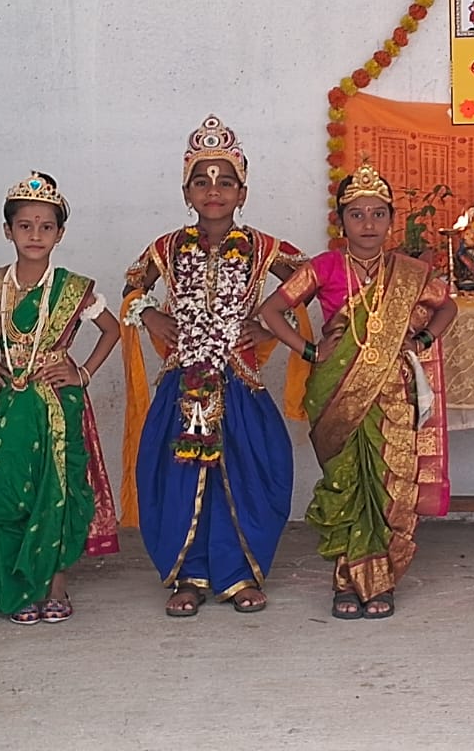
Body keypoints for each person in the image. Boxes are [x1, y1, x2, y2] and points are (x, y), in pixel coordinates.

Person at [120, 116, 310, 617]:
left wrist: (270, 327)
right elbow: (131, 287)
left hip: (239, 383)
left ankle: (239, 574)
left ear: (242, 191)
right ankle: (189, 575)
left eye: (226, 181)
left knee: (246, 476)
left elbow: (306, 283)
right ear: (186, 189)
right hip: (183, 383)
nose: (214, 191)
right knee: (178, 477)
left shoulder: (265, 247)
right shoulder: (165, 247)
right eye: (201, 181)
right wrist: (152, 313)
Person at [259, 158, 457, 619]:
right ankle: (346, 580)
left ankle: (381, 580)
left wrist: (422, 339)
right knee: (346, 483)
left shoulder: (410, 272)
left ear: (391, 219)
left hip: (392, 395)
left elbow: (447, 309)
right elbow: (271, 312)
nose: (368, 224)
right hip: (337, 393)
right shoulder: (323, 267)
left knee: (389, 485)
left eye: (378, 214)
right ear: (341, 220)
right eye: (357, 214)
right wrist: (310, 352)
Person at [0, 173, 121, 623]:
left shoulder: (74, 288)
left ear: (59, 233)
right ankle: (17, 588)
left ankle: (56, 585)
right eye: (25, 226)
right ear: (8, 230)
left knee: (56, 492)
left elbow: (112, 330)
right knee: (8, 490)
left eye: (45, 226)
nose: (35, 235)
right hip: (11, 406)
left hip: (57, 407)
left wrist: (82, 372)